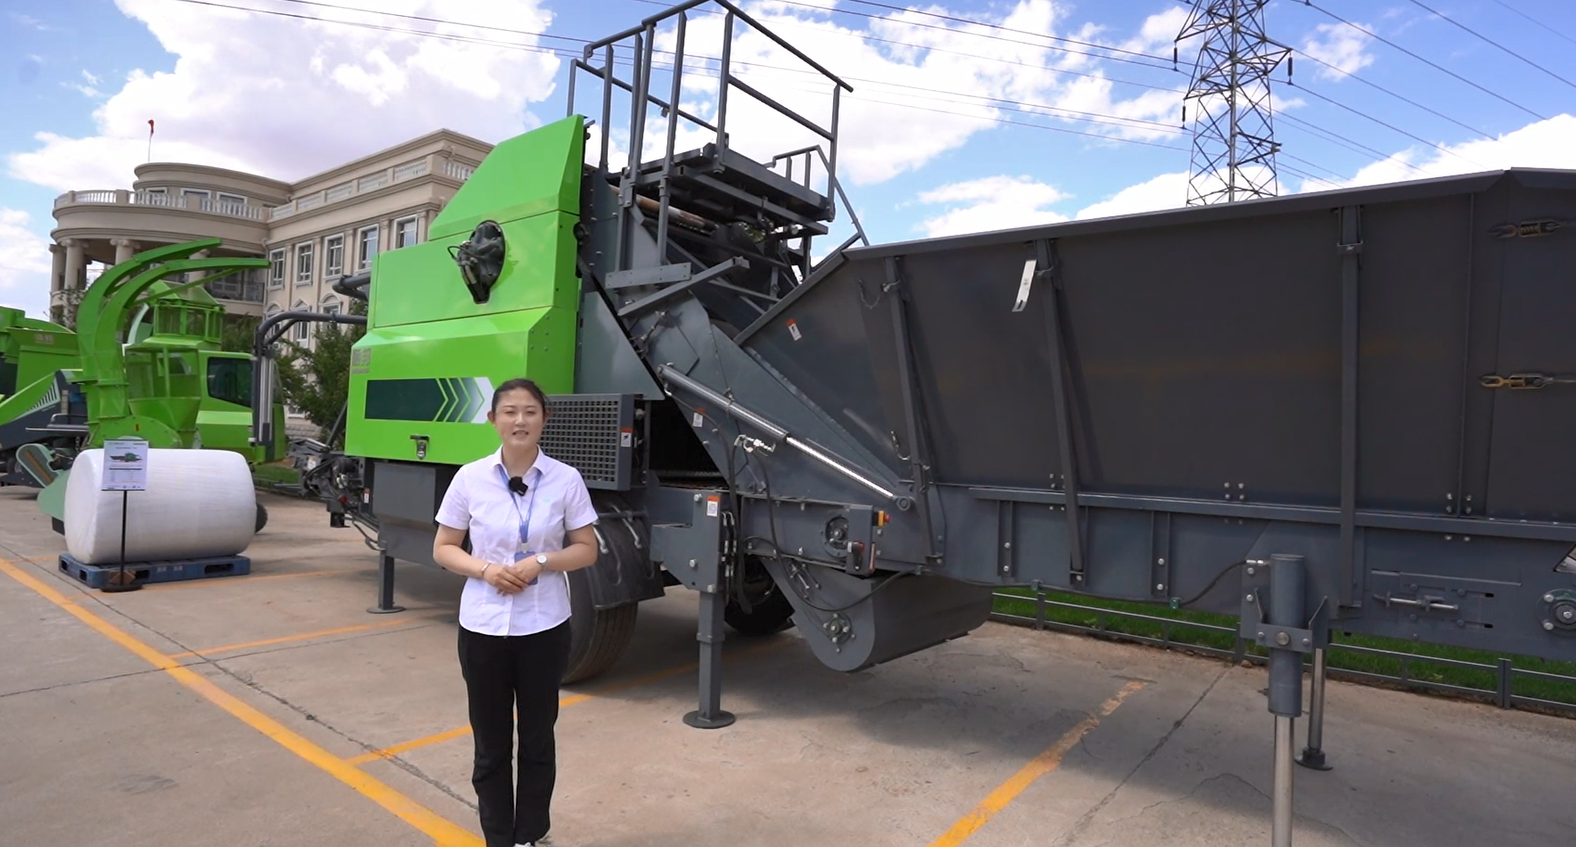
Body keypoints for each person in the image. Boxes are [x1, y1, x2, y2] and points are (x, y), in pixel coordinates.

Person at [432, 377, 600, 847]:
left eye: (530, 411)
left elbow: (587, 549)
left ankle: (531, 835)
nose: (519, 420)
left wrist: (541, 561)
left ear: (544, 419)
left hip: (544, 626)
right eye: (509, 411)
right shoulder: (469, 478)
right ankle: (498, 838)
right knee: (489, 746)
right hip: (482, 627)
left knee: (537, 741)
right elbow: (444, 548)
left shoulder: (566, 479)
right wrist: (485, 570)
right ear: (493, 420)